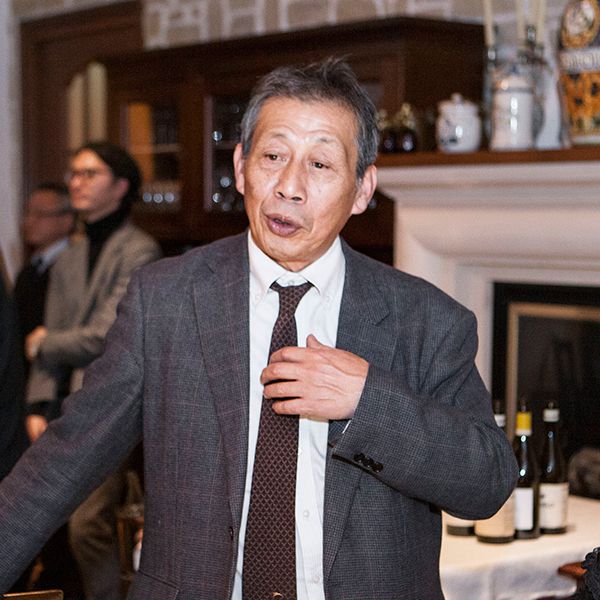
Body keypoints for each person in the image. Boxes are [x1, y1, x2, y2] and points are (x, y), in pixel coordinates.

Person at [0, 59, 517, 599]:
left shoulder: (426, 319)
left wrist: (368, 403)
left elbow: (486, 484)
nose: (289, 186)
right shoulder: (166, 300)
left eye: (320, 163)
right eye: (273, 156)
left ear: (363, 189)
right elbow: (63, 462)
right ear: (242, 166)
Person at [23, 141, 161, 600]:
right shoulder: (68, 256)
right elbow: (53, 337)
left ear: (120, 186)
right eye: (74, 173)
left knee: (87, 525)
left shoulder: (140, 250)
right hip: (62, 407)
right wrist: (38, 404)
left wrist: (44, 341)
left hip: (110, 407)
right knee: (51, 523)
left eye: (89, 174)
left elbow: (108, 333)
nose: (76, 183)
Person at [13, 182, 76, 369]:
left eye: (40, 214)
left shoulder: (73, 268)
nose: (29, 221)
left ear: (67, 220)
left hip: (58, 367)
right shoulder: (29, 270)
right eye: (28, 213)